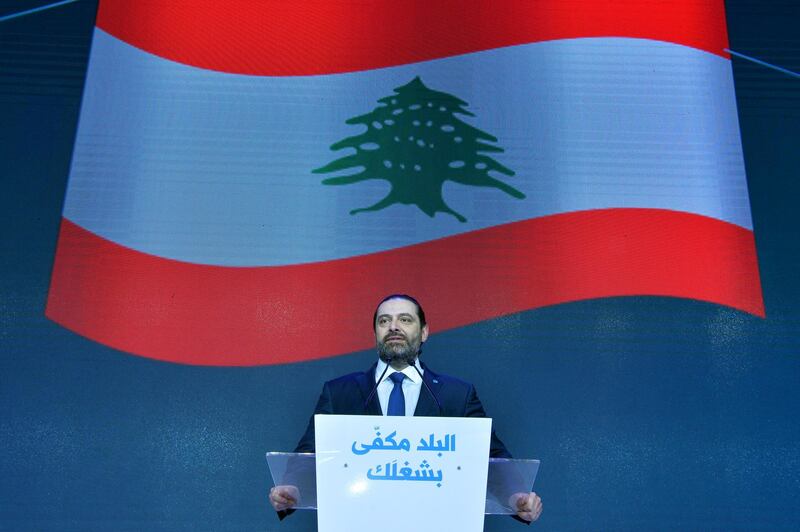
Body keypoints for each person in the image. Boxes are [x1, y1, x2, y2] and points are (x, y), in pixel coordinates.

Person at [269, 294, 543, 523]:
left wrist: (516, 496)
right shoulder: (340, 393)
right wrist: (292, 488)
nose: (393, 327)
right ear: (375, 333)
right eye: (384, 321)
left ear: (424, 332)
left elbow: (492, 458)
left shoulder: (456, 395)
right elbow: (309, 453)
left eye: (405, 319)